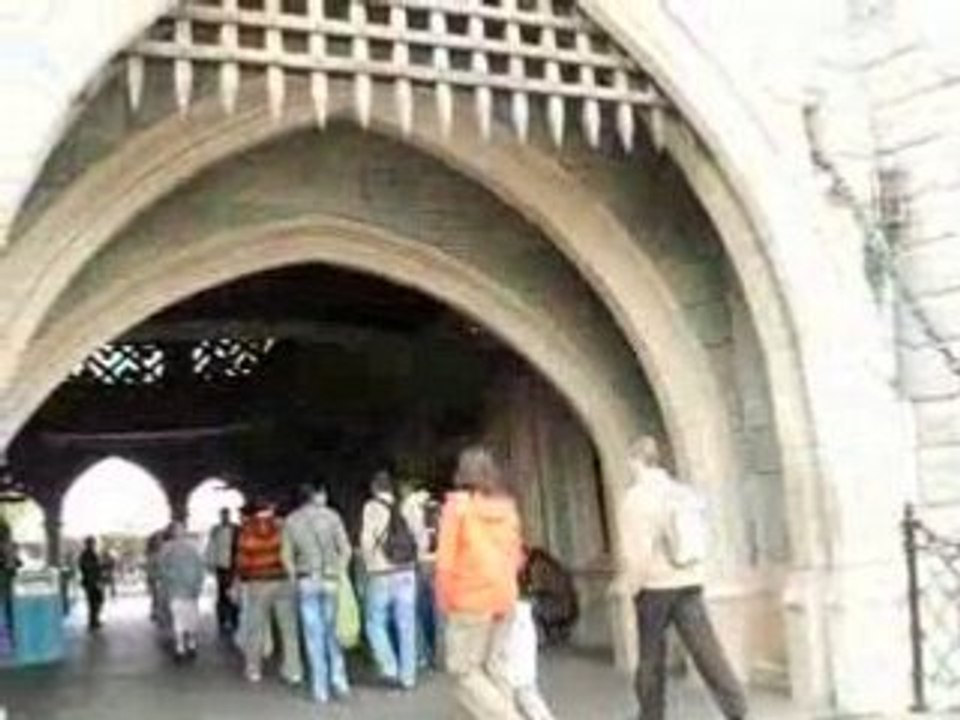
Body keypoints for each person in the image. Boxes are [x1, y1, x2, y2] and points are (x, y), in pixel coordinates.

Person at [620, 435, 748, 720]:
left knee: (651, 656)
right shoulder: (681, 492)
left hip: (654, 585)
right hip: (688, 581)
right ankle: (736, 708)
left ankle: (651, 715)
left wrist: (633, 586)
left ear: (636, 461)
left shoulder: (636, 499)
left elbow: (637, 552)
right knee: (707, 650)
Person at [435, 445, 524, 720]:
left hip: (470, 598)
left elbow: (446, 562)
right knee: (495, 668)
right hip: (505, 595)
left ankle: (510, 717)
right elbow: (518, 556)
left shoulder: (457, 508)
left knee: (464, 671)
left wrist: (444, 600)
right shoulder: (507, 508)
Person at [282, 481, 352, 704]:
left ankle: (319, 689)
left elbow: (286, 556)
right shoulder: (332, 517)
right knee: (334, 633)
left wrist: (294, 577)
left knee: (314, 637)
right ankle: (339, 680)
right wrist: (338, 570)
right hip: (331, 580)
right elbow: (346, 549)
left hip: (307, 581)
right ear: (316, 496)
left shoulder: (291, 521)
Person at [360, 469, 419, 690]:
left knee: (374, 622)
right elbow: (418, 537)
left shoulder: (371, 507)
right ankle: (409, 676)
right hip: (407, 571)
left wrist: (368, 565)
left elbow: (367, 540)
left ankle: (389, 667)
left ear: (374, 488)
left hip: (382, 573)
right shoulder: (406, 507)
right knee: (407, 625)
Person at [235, 499, 302, 685]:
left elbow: (242, 560)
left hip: (258, 583)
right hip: (282, 581)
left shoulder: (247, 529)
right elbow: (292, 553)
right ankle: (293, 670)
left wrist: (243, 578)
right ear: (270, 510)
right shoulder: (282, 527)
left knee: (255, 627)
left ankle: (253, 670)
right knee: (288, 628)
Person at [400, 481, 440, 669]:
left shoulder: (407, 507)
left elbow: (409, 537)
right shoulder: (434, 504)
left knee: (417, 611)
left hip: (419, 562)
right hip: (439, 561)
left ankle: (422, 655)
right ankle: (441, 654)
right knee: (438, 611)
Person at [158, 522, 205, 661]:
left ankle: (191, 643)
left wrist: (198, 585)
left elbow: (200, 568)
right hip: (175, 589)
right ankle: (180, 647)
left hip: (191, 590)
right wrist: (169, 578)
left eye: (181, 529)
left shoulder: (193, 547)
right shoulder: (167, 548)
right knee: (178, 618)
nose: (179, 532)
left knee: (191, 618)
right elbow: (161, 567)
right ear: (172, 532)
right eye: (176, 529)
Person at [206, 507, 239, 634]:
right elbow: (211, 547)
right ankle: (223, 619)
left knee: (233, 594)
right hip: (221, 566)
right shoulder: (215, 530)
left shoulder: (236, 529)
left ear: (229, 515)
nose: (224, 517)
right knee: (222, 594)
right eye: (222, 515)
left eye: (226, 515)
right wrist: (211, 563)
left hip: (232, 565)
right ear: (220, 516)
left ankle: (233, 619)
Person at [78, 536, 105, 631]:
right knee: (94, 601)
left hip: (93, 581)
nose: (93, 544)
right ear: (88, 543)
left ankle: (94, 620)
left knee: (97, 600)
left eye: (93, 542)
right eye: (92, 542)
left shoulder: (90, 554)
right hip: (91, 582)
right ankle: (93, 621)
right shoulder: (86, 554)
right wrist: (99, 566)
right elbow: (87, 567)